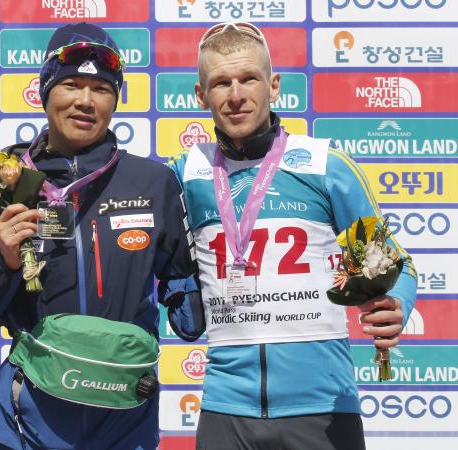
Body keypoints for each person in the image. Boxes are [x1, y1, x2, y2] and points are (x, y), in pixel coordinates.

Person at [0, 23, 200, 450]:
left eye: (101, 87)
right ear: (45, 91)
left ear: (115, 98)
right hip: (30, 422)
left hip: (125, 421)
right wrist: (4, 262)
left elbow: (190, 315)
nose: (84, 100)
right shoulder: (2, 177)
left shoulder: (153, 182)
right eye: (70, 84)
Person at [165, 22, 417, 450]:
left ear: (274, 86)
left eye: (249, 79)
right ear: (201, 96)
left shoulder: (324, 167)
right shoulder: (184, 174)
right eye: (221, 83)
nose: (236, 94)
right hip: (226, 410)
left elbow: (392, 264)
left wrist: (397, 303)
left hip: (322, 407)